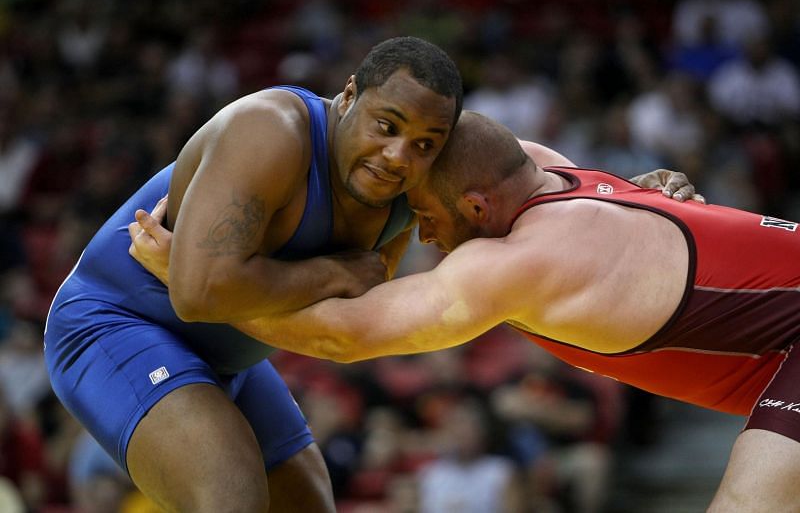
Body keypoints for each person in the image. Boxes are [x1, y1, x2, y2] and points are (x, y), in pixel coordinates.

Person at [132, 110, 800, 511]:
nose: (420, 235)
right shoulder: (552, 172)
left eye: (423, 216)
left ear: (477, 207)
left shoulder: (518, 261)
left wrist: (203, 282)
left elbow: (343, 337)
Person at [44, 36, 464, 512]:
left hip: (229, 353)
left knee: (308, 505)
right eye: (386, 126)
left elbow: (342, 335)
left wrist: (229, 292)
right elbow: (199, 295)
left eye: (425, 144)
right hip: (117, 322)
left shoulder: (408, 195)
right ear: (348, 96)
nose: (398, 156)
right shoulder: (269, 131)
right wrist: (331, 274)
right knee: (230, 498)